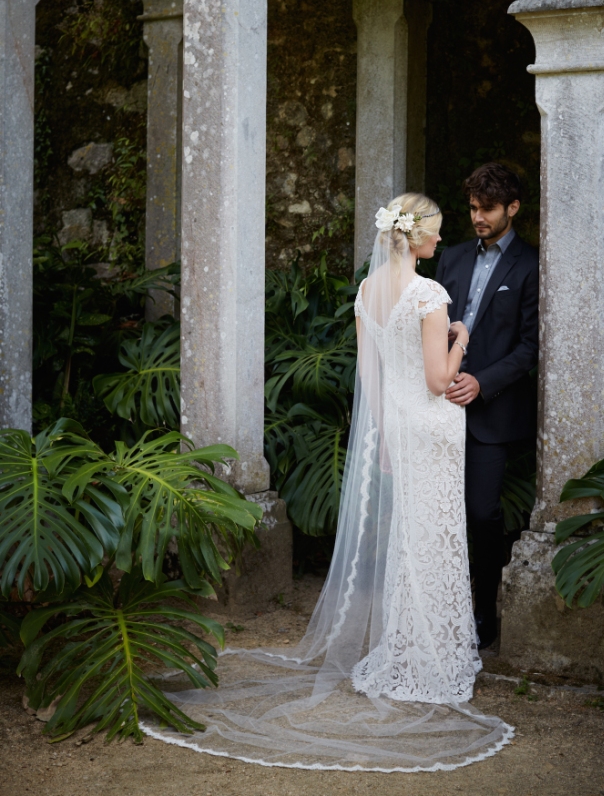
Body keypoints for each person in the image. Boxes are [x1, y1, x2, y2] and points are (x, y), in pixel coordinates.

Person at [143, 193, 513, 771]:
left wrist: (385, 434)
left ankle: (412, 653)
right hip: (434, 429)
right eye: (435, 234)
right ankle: (432, 660)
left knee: (410, 540)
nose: (441, 243)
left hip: (398, 426)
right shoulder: (431, 295)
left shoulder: (369, 292)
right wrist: (461, 336)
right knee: (436, 537)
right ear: (415, 238)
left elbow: (371, 373)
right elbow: (441, 380)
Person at [436, 164, 539, 650]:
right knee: (436, 513)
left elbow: (529, 347)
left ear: (512, 208)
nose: (477, 217)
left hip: (491, 413)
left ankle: (484, 615)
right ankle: (440, 610)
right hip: (436, 404)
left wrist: (482, 382)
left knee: (480, 513)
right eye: (473, 208)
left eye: (488, 209)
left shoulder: (532, 265)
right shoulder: (451, 258)